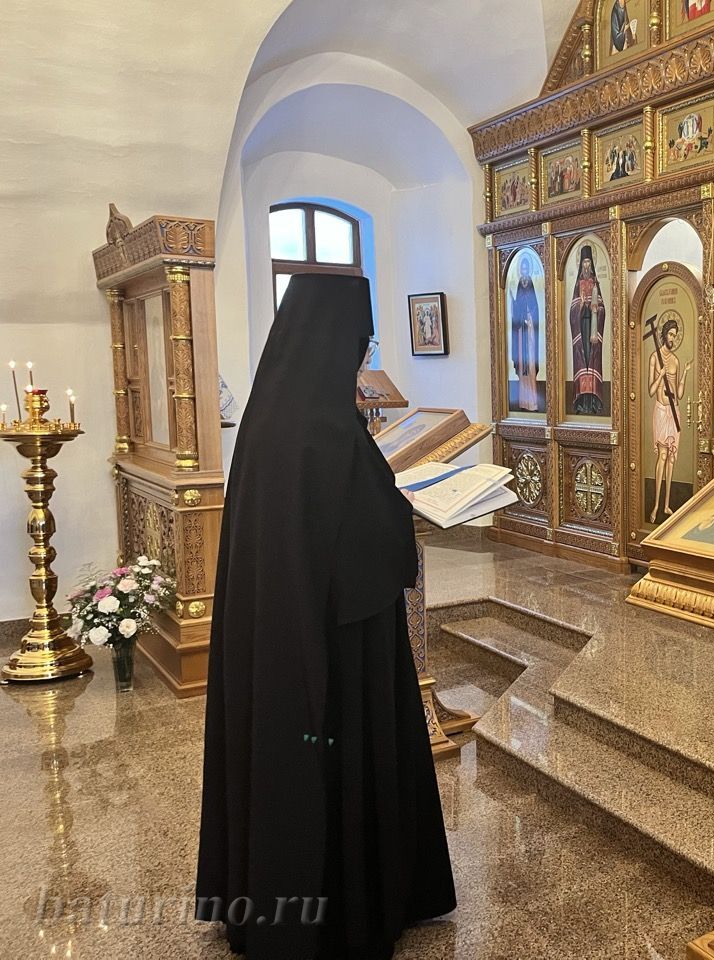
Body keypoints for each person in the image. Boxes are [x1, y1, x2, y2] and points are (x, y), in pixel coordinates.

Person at [195, 274, 455, 959]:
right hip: (338, 647)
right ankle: (344, 909)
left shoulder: (267, 421)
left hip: (278, 639)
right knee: (335, 768)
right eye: (358, 344)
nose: (360, 359)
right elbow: (362, 538)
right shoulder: (327, 429)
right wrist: (403, 512)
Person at [649, 316, 689, 521]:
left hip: (674, 411)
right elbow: (651, 390)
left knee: (671, 458)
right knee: (662, 456)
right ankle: (655, 505)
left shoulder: (675, 360)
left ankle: (666, 505)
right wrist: (660, 375)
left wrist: (684, 375)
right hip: (661, 410)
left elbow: (679, 394)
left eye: (675, 335)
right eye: (670, 334)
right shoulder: (654, 358)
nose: (672, 338)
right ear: (664, 334)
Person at [569, 244, 607, 416]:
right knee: (581, 362)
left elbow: (602, 309)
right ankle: (580, 403)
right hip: (581, 328)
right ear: (581, 265)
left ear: (591, 264)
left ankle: (593, 403)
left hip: (593, 328)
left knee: (592, 361)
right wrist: (582, 304)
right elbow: (572, 310)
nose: (586, 265)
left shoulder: (595, 283)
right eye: (583, 262)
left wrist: (596, 309)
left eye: (588, 262)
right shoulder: (578, 284)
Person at [511, 254, 542, 412]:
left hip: (529, 331)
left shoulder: (530, 285)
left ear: (528, 270)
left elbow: (535, 307)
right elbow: (517, 310)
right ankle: (523, 402)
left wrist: (530, 318)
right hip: (521, 332)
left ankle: (533, 402)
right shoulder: (519, 286)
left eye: (525, 269)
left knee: (529, 364)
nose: (523, 272)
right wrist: (513, 303)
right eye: (522, 269)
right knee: (522, 364)